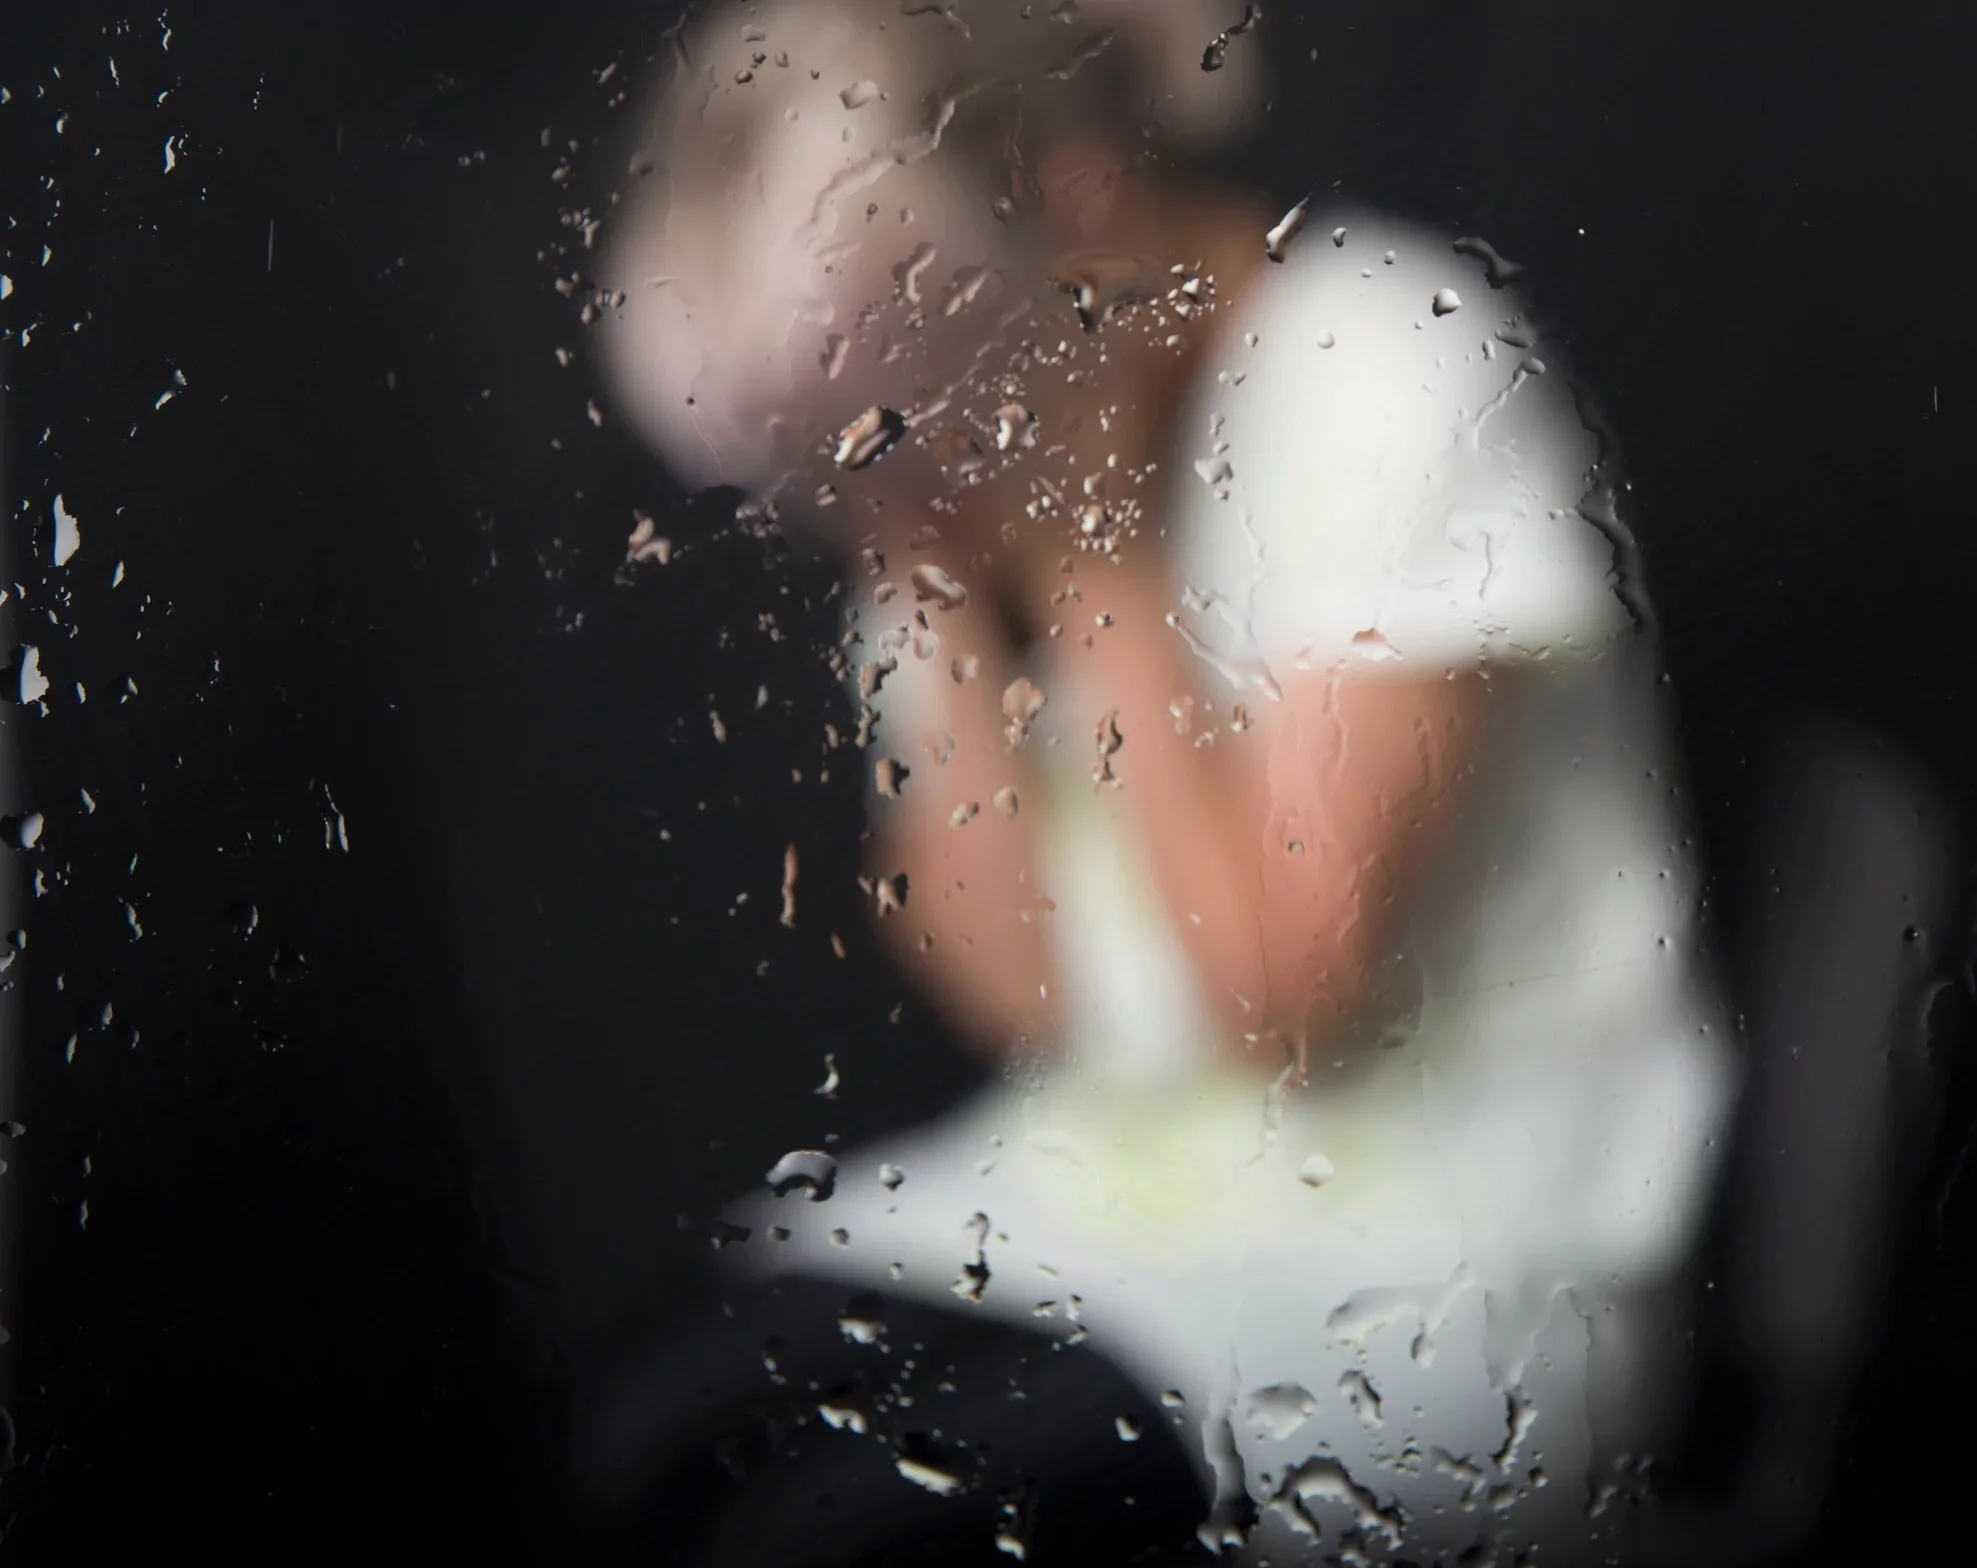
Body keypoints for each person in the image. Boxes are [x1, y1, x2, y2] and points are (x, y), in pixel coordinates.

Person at [593, 2, 1738, 1558]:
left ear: (1080, 215)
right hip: (1118, 1186)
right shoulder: (928, 486)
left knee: (847, 1536)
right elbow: (1024, 1003)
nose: (885, 504)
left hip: (1449, 1248)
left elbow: (1285, 1004)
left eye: (900, 436)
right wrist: (934, 602)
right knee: (647, 1448)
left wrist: (1089, 546)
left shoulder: (1381, 371)